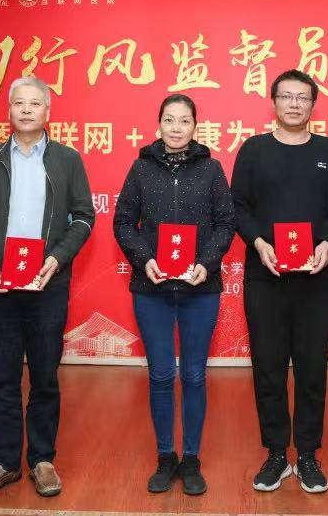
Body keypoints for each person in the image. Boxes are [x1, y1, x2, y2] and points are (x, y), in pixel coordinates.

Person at [0, 76, 94, 498]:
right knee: (1, 378)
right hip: (0, 287)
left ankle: (41, 460)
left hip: (47, 285)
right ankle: (4, 462)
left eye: (35, 104)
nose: (26, 110)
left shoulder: (67, 159)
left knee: (44, 377)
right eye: (19, 103)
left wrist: (57, 258)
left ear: (47, 112)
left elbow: (84, 217)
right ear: (8, 110)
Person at [231, 69, 328, 493]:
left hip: (316, 279)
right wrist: (259, 242)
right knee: (268, 368)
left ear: (313, 104)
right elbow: (238, 207)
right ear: (274, 102)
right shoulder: (253, 150)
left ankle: (309, 453)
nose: (294, 104)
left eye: (302, 97)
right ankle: (277, 453)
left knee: (312, 369)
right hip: (265, 277)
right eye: (286, 96)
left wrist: (327, 243)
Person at [113, 94, 236, 496]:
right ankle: (165, 457)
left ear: (195, 127)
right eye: (169, 120)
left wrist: (207, 262)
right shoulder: (141, 168)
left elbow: (226, 222)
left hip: (201, 287)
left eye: (184, 120)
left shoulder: (212, 169)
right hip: (152, 288)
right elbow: (123, 222)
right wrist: (144, 258)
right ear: (159, 125)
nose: (177, 127)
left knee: (195, 375)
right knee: (162, 374)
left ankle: (192, 458)